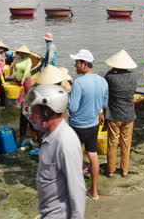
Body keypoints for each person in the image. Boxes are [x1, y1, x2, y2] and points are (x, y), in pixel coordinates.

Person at [25, 84, 85, 219]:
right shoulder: (49, 136)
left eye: (35, 112)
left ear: (48, 112)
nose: (32, 116)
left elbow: (77, 189)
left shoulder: (64, 142)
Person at [68, 49, 108, 200]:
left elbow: (72, 108)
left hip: (77, 125)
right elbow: (104, 103)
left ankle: (74, 189)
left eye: (77, 63)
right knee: (93, 154)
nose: (75, 65)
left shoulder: (78, 82)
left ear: (84, 64)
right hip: (93, 124)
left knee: (75, 156)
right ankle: (94, 191)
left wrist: (67, 97)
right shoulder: (102, 80)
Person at [103, 50, 137, 178]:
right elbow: (132, 91)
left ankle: (110, 170)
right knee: (126, 143)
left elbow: (106, 93)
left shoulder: (109, 77)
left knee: (112, 143)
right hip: (129, 114)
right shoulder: (133, 77)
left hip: (114, 115)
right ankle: (124, 170)